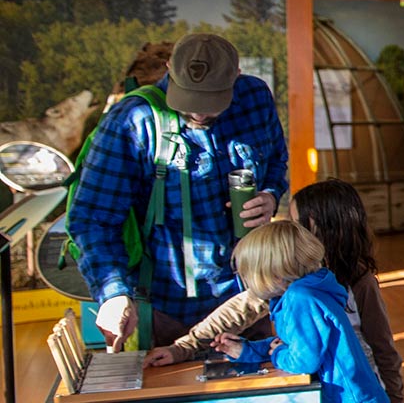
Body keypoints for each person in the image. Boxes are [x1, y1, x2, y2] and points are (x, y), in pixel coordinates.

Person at [71, 32, 288, 350]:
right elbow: (92, 219)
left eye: (211, 101)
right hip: (168, 310)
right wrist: (114, 292)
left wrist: (270, 195)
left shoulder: (255, 98)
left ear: (236, 77)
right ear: (169, 67)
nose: (199, 113)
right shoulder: (133, 121)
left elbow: (275, 162)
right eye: (190, 99)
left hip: (250, 298)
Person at [143, 180, 404, 403]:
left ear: (326, 228)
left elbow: (382, 347)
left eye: (296, 222)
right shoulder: (290, 278)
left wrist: (395, 397)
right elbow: (237, 311)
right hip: (318, 390)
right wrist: (184, 347)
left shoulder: (348, 283)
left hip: (351, 393)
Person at [213, 221, 388, 403]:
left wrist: (278, 354)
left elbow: (303, 361)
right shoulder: (305, 292)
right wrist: (247, 350)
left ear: (274, 273)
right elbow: (292, 344)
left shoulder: (301, 298)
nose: (246, 280)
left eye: (246, 273)